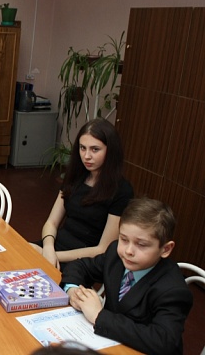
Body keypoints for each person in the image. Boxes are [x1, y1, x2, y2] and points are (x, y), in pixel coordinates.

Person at [61, 197, 193, 354]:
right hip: (108, 342)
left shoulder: (173, 290)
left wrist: (99, 316)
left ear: (166, 249)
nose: (128, 251)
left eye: (141, 244)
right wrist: (73, 290)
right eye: (123, 239)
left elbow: (163, 341)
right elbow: (80, 266)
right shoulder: (116, 254)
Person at [32, 118, 133, 270]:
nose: (86, 156)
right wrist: (47, 248)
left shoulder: (122, 191)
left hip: (84, 261)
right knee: (15, 254)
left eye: (95, 149)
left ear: (111, 151)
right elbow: (51, 222)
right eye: (82, 148)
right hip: (55, 247)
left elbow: (103, 249)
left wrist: (52, 256)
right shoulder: (75, 177)